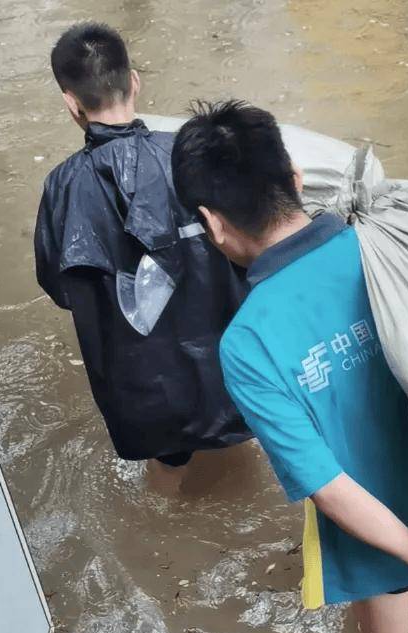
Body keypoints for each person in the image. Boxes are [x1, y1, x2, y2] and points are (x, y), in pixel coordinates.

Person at [171, 100, 408, 633]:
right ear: (296, 178)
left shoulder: (248, 341)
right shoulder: (383, 246)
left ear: (211, 221)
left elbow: (324, 482)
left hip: (377, 523)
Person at [34, 25, 251, 468]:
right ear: (135, 81)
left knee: (167, 473)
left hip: (147, 386)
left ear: (70, 103)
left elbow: (60, 287)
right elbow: (251, 246)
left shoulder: (62, 188)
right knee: (240, 441)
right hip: (228, 365)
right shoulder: (193, 156)